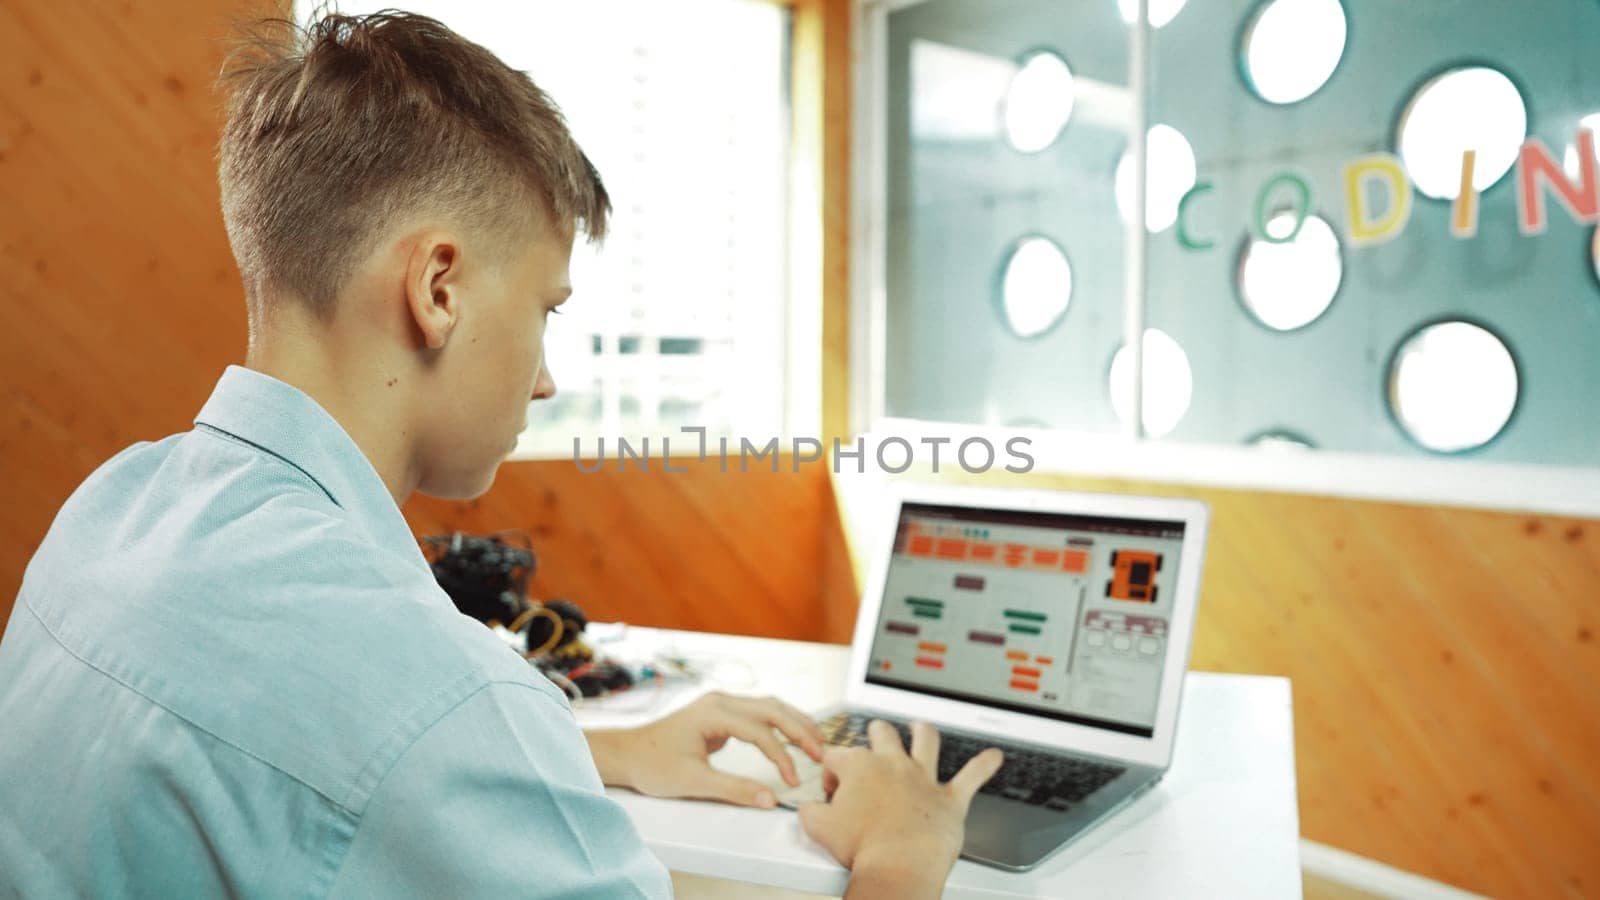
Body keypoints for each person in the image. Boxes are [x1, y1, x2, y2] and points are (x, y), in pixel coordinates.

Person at [0, 10, 1001, 898]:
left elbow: (299, 759)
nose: (545, 380)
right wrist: (901, 857)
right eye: (545, 309)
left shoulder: (108, 510)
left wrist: (582, 752)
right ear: (438, 287)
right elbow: (389, 738)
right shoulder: (443, 701)